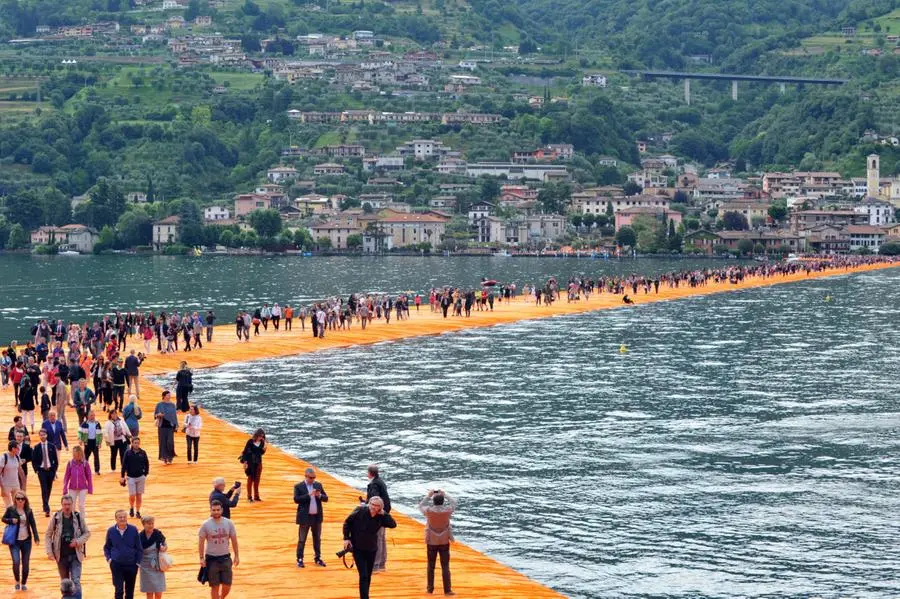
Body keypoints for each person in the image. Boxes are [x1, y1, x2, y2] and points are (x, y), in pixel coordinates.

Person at [342, 496, 397, 599]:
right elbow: (347, 523)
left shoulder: (381, 516)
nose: (373, 507)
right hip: (358, 548)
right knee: (363, 575)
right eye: (371, 504)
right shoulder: (360, 510)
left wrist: (385, 514)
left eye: (376, 506)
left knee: (368, 574)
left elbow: (393, 524)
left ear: (380, 507)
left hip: (371, 548)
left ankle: (365, 595)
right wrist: (346, 538)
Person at [46, 494, 90, 599]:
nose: (67, 507)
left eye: (69, 504)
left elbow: (87, 533)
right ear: (61, 505)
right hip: (61, 556)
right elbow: (48, 535)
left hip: (76, 555)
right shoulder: (56, 517)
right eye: (65, 504)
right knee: (65, 582)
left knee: (76, 580)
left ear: (72, 504)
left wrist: (78, 541)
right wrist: (49, 552)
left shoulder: (78, 517)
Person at [419, 490, 457, 596]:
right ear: (443, 502)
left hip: (431, 541)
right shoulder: (447, 511)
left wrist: (428, 495)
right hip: (444, 540)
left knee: (430, 566)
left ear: (434, 502)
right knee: (445, 566)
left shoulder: (429, 511)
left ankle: (430, 589)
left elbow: (420, 505)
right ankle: (447, 590)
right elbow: (454, 503)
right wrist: (445, 495)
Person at [199, 500, 240, 599]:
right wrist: (201, 558)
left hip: (226, 558)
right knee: (215, 586)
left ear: (222, 510)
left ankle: (222, 598)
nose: (216, 512)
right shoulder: (205, 524)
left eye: (218, 510)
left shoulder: (229, 523)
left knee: (227, 585)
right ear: (210, 510)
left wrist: (237, 556)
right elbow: (201, 542)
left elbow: (234, 540)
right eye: (214, 510)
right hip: (211, 559)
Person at [3, 491, 39, 591]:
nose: (20, 501)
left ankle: (23, 583)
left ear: (25, 500)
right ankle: (17, 581)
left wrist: (36, 537)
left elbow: (33, 524)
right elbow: (3, 518)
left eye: (22, 499)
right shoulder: (11, 509)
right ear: (15, 500)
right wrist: (11, 521)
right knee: (16, 561)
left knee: (26, 562)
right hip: (14, 541)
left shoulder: (28, 511)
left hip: (26, 541)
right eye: (18, 498)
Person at [103, 509, 143, 599]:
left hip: (131, 565)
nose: (122, 519)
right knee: (118, 590)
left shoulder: (133, 530)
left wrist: (137, 563)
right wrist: (109, 559)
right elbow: (107, 547)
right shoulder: (111, 531)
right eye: (120, 517)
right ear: (116, 519)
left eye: (124, 517)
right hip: (116, 565)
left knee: (130, 592)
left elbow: (139, 548)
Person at [294, 466, 327, 568]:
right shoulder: (299, 486)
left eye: (314, 477)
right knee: (302, 539)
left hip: (316, 517)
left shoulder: (318, 485)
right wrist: (309, 495)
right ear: (306, 476)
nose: (313, 480)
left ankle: (317, 557)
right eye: (311, 478)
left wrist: (320, 496)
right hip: (305, 517)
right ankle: (300, 558)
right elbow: (296, 499)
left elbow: (326, 498)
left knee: (317, 538)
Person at [366, 464, 391, 572]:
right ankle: (381, 564)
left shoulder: (374, 484)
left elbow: (376, 499)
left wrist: (370, 509)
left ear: (369, 473)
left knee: (377, 539)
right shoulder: (380, 481)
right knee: (382, 539)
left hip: (379, 513)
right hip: (384, 511)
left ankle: (376, 565)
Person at [32, 428, 59, 517]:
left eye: (44, 435)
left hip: (50, 470)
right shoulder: (36, 447)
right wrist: (37, 470)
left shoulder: (51, 446)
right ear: (39, 436)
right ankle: (46, 507)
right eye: (41, 435)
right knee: (43, 488)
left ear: (46, 435)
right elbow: (34, 460)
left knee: (49, 488)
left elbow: (55, 459)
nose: (42, 436)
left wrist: (54, 470)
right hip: (42, 471)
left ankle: (46, 502)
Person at [121, 436, 150, 519]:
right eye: (135, 443)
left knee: (139, 495)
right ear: (132, 444)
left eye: (138, 443)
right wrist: (122, 476)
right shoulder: (128, 453)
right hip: (131, 477)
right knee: (132, 494)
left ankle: (137, 511)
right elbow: (124, 465)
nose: (137, 444)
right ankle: (131, 507)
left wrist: (145, 474)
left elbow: (147, 463)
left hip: (141, 477)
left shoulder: (143, 452)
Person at [139, 515, 167, 598]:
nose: (151, 525)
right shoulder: (139, 536)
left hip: (157, 565)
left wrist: (163, 548)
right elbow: (136, 550)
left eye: (152, 523)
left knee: (158, 590)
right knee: (149, 592)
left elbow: (165, 545)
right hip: (145, 566)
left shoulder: (158, 534)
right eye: (148, 523)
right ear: (143, 524)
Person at [61, 446, 92, 517]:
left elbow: (89, 477)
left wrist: (90, 488)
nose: (75, 457)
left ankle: (82, 521)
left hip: (83, 488)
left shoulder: (85, 464)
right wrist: (65, 488)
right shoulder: (70, 463)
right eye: (74, 455)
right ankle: (73, 521)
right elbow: (66, 477)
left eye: (77, 455)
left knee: (81, 505)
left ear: (81, 455)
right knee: (72, 506)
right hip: (72, 488)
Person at [239, 428, 266, 502]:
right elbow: (245, 452)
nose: (261, 438)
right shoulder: (250, 441)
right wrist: (245, 462)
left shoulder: (262, 442)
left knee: (257, 480)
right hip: (250, 463)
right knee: (250, 480)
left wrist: (265, 447)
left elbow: (261, 453)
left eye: (262, 436)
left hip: (258, 463)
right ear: (256, 435)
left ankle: (256, 496)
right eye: (260, 436)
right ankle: (249, 497)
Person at [154, 391, 177, 464]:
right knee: (162, 442)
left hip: (170, 426)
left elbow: (174, 416)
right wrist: (159, 415)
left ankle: (170, 457)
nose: (169, 396)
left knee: (170, 442)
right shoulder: (159, 405)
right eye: (167, 395)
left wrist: (176, 425)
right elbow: (155, 415)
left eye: (169, 395)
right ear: (163, 396)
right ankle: (164, 458)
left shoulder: (172, 405)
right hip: (162, 426)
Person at [0, 440, 22, 507]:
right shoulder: (3, 458)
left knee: (17, 505)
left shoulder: (17, 457)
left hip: (16, 484)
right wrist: (2, 488)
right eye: (17, 448)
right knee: (8, 506)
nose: (19, 450)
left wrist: (23, 485)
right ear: (13, 449)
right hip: (6, 485)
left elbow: (20, 472)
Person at [80, 410, 102, 475]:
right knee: (85, 457)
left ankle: (97, 471)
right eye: (91, 415)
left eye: (93, 415)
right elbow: (80, 432)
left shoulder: (97, 423)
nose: (92, 417)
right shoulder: (84, 423)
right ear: (88, 416)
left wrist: (100, 442)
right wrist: (80, 439)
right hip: (87, 442)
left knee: (96, 457)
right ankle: (84, 470)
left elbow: (100, 433)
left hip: (95, 442)